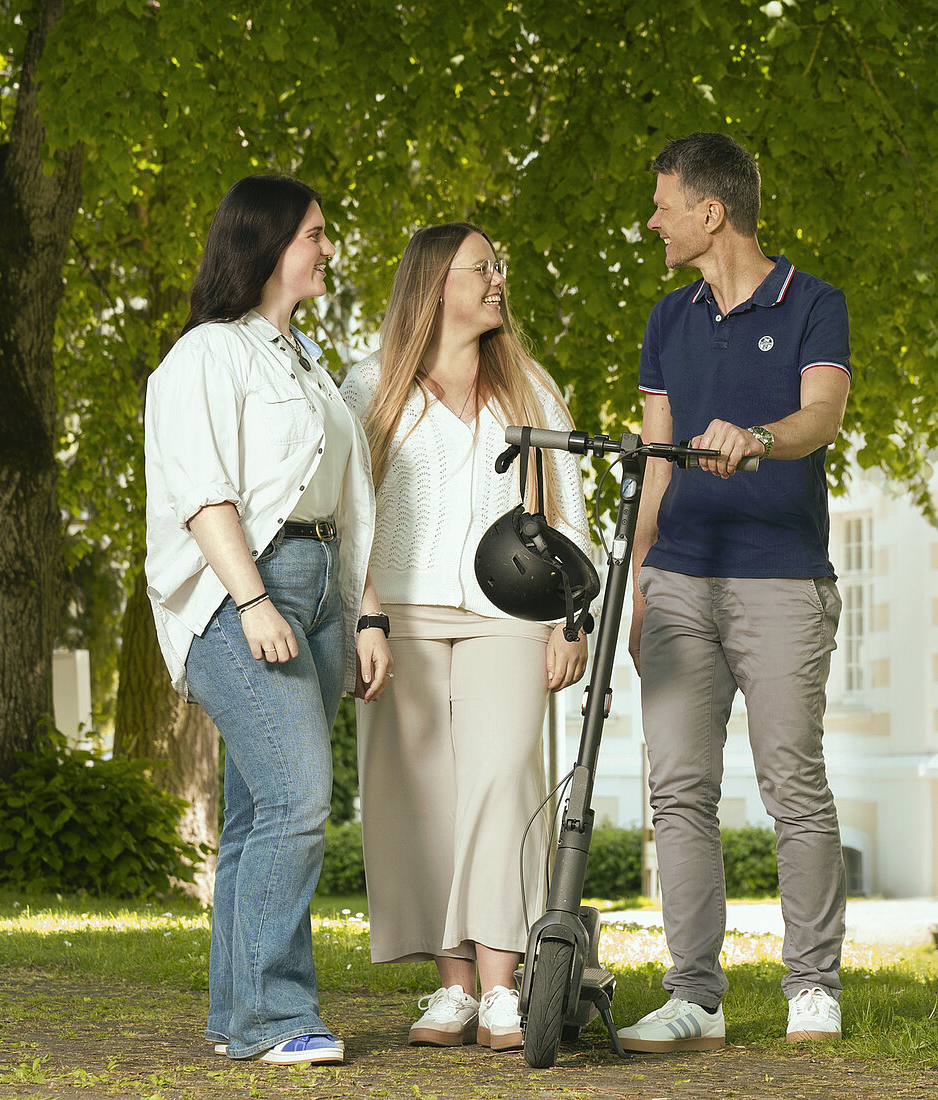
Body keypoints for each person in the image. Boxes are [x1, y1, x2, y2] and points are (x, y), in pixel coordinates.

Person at [143, 175, 392, 1065]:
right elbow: (201, 491)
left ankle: (235, 1019)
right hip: (242, 589)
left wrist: (368, 615)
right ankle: (277, 1016)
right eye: (316, 234)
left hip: (324, 585)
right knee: (296, 798)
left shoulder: (308, 360)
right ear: (270, 241)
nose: (328, 248)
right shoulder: (206, 355)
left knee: (256, 814)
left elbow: (350, 501)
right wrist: (250, 599)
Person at [622, 132, 851, 1051]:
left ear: (710, 213)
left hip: (781, 579)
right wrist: (637, 581)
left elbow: (822, 413)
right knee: (678, 789)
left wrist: (758, 435)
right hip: (679, 578)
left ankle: (812, 987)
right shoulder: (667, 318)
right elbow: (653, 463)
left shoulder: (813, 302)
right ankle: (696, 997)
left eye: (664, 204)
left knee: (793, 784)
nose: (654, 221)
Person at [341, 222, 592, 1052]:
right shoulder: (368, 388)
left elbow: (568, 510)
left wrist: (571, 618)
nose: (497, 278)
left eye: (498, 265)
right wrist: (362, 615)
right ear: (434, 284)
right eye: (482, 267)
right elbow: (346, 518)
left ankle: (501, 990)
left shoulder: (530, 388)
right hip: (399, 619)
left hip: (510, 619)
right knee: (417, 799)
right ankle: (450, 989)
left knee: (502, 783)